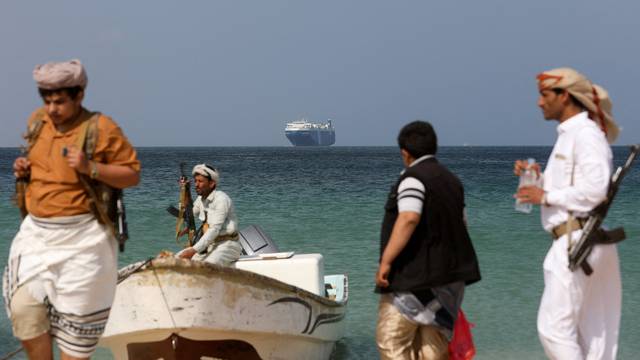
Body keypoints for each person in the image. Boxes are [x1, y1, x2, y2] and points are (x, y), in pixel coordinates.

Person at [2, 59, 140, 359]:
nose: (52, 108)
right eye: (48, 100)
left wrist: (90, 167)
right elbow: (44, 165)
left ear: (79, 96)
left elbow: (131, 175)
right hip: (37, 235)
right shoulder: (38, 122)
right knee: (23, 309)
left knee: (77, 331)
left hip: (85, 239)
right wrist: (24, 170)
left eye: (60, 101)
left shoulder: (101, 128)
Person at [515, 67, 621, 359]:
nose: (539, 102)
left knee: (554, 328)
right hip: (580, 241)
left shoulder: (586, 134)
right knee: (592, 334)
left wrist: (545, 195)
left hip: (578, 241)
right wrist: (537, 178)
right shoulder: (571, 135)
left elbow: (596, 189)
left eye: (544, 95)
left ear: (564, 96)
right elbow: (571, 187)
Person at [375, 121, 481, 360]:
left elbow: (409, 218)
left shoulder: (412, 179)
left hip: (413, 280)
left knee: (392, 342)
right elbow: (462, 225)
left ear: (405, 152)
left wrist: (386, 261)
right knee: (433, 349)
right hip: (449, 282)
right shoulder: (452, 181)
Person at [177, 164, 242, 266]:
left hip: (228, 245)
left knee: (207, 266)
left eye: (200, 181)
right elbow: (188, 215)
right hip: (210, 246)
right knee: (176, 260)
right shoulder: (201, 199)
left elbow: (214, 229)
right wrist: (185, 191)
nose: (196, 185)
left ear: (212, 183)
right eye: (195, 181)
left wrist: (193, 250)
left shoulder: (221, 199)